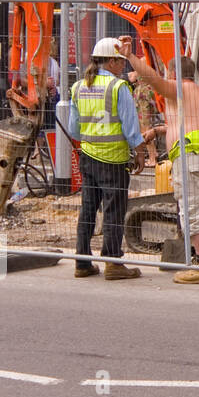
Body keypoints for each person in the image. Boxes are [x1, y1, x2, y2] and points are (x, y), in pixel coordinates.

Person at [121, 37, 199, 285]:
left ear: (173, 73)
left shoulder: (178, 88)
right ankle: (197, 259)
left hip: (192, 157)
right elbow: (188, 124)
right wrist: (158, 131)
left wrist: (130, 57)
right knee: (195, 208)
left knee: (193, 211)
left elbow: (152, 80)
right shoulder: (198, 93)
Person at [66, 37, 146, 280]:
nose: (123, 66)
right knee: (113, 211)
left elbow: (74, 130)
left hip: (88, 158)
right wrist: (140, 151)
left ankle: (82, 262)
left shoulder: (78, 87)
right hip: (113, 160)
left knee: (88, 209)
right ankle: (113, 263)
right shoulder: (118, 87)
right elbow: (131, 127)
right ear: (111, 61)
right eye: (120, 61)